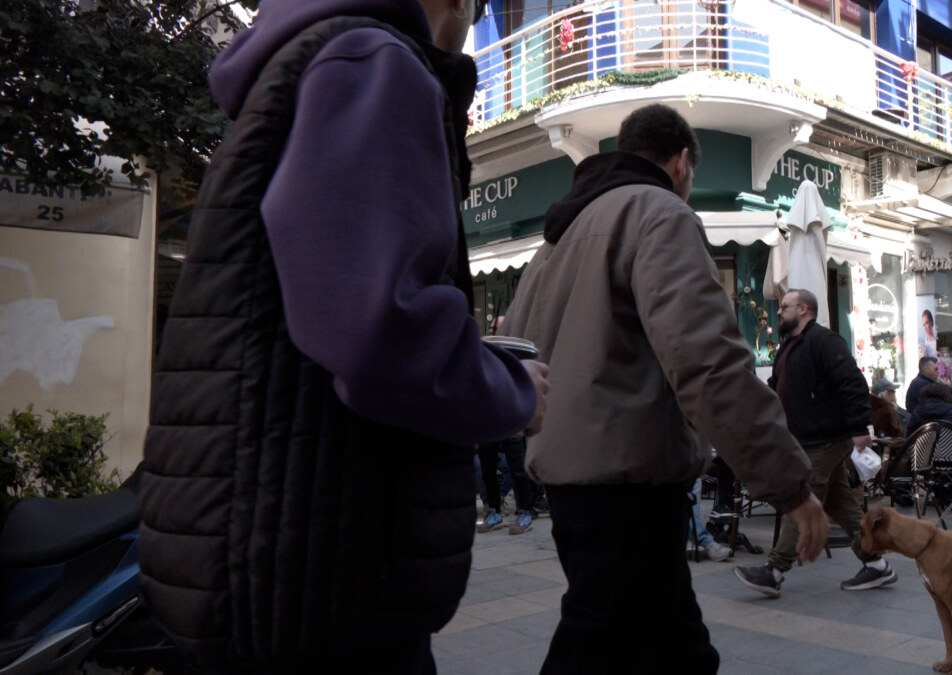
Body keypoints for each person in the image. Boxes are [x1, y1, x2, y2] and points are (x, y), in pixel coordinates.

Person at [136, 0, 551, 671]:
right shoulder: (373, 60)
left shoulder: (309, 60)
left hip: (268, 551)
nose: (472, 23)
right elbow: (378, 330)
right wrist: (511, 391)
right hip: (323, 563)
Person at [500, 104, 828, 673]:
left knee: (671, 647)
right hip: (629, 482)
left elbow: (521, 350)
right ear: (681, 163)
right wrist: (790, 485)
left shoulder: (553, 243)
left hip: (570, 476)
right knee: (601, 643)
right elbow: (709, 365)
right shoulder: (660, 214)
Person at [734, 289, 897, 598]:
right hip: (805, 439)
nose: (779, 311)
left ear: (804, 309)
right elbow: (779, 386)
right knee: (842, 506)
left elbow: (853, 383)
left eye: (785, 306)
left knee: (802, 498)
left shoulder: (825, 341)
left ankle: (774, 571)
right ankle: (876, 565)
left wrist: (860, 426)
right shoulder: (789, 346)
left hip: (825, 439)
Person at [477, 436, 535, 534]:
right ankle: (494, 511)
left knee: (517, 467)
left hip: (510, 428)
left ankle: (526, 512)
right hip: (487, 428)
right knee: (487, 469)